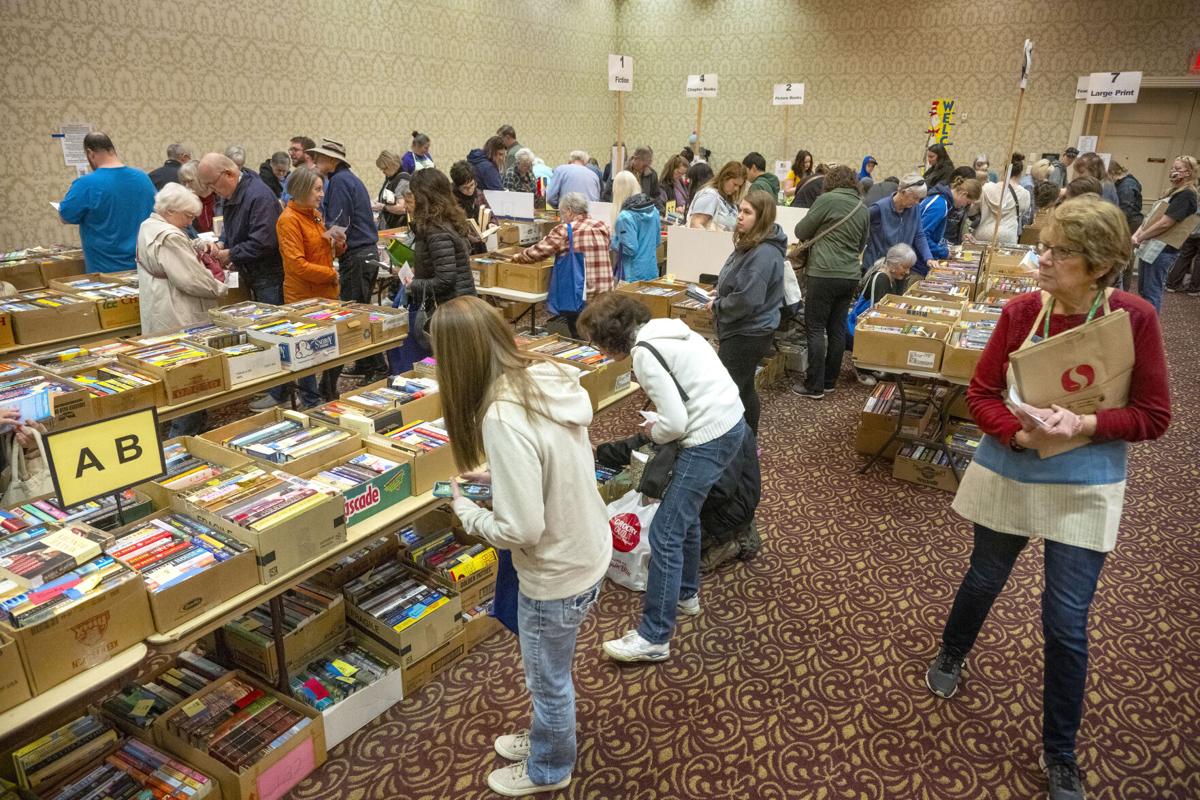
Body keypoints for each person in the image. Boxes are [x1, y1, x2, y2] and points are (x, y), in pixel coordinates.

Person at [927, 195, 1170, 800]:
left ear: (1096, 264)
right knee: (983, 578)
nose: (1042, 258)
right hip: (1011, 470)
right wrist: (1016, 432)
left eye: (1058, 252)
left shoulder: (1135, 317)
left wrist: (1084, 426)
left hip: (1087, 483)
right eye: (1046, 246)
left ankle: (1059, 749)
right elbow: (981, 393)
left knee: (1066, 622)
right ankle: (953, 651)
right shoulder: (1019, 313)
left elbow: (1154, 416)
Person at [433, 296, 607, 798]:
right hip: (585, 547)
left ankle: (550, 767)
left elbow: (522, 530)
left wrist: (467, 512)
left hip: (554, 572)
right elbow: (556, 464)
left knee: (547, 680)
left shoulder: (501, 416)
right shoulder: (541, 380)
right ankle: (544, 737)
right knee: (553, 670)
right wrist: (502, 478)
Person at [580, 293, 748, 664]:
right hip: (731, 421)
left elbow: (675, 423)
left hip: (707, 436)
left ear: (610, 339)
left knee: (664, 533)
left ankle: (654, 636)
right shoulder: (668, 329)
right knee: (683, 517)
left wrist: (655, 431)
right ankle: (687, 593)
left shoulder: (643, 354)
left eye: (597, 342)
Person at [136, 183, 228, 436]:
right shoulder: (171, 236)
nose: (191, 221)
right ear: (170, 211)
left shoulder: (149, 225)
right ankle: (183, 437)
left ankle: (190, 428)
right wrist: (220, 285)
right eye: (187, 216)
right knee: (188, 375)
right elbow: (192, 279)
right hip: (178, 309)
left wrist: (196, 246)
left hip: (159, 304)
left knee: (173, 371)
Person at [791, 165, 871, 399]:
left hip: (823, 272)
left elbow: (800, 230)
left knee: (815, 327)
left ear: (830, 181)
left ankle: (813, 385)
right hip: (849, 275)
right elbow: (861, 245)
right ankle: (829, 381)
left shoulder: (827, 199)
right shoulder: (862, 207)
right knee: (836, 329)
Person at [308, 137, 384, 378]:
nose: (317, 161)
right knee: (360, 310)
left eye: (320, 157)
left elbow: (339, 224)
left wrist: (324, 240)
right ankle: (366, 364)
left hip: (358, 254)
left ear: (332, 160)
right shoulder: (348, 178)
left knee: (355, 314)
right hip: (366, 252)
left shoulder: (339, 182)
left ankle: (375, 366)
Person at [711, 191, 786, 431]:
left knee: (726, 392)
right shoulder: (752, 242)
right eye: (739, 210)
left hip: (748, 333)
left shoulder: (763, 252)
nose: (739, 217)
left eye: (747, 212)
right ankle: (747, 442)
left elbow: (747, 299)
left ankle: (738, 444)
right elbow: (740, 282)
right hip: (746, 329)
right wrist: (720, 293)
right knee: (742, 389)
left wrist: (718, 305)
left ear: (762, 217)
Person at [392, 168, 478, 373]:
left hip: (450, 310)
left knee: (453, 367)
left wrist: (412, 284)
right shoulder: (444, 222)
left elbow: (445, 280)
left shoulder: (436, 230)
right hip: (458, 306)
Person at [273, 165, 343, 408]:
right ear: (301, 190)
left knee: (332, 348)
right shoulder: (288, 220)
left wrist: (337, 244)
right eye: (317, 189)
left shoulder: (315, 214)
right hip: (303, 297)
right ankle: (311, 401)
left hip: (326, 294)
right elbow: (297, 266)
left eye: (321, 189)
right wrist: (331, 273)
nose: (322, 194)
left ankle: (327, 391)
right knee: (307, 353)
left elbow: (321, 250)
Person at [512, 193, 611, 336]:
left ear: (569, 211)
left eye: (562, 213)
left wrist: (516, 257)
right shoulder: (602, 226)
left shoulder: (565, 230)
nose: (562, 217)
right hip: (605, 293)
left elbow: (538, 252)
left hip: (580, 298)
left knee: (580, 334)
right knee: (600, 334)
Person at [58, 132, 156, 274]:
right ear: (112, 150)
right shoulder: (142, 177)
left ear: (90, 153)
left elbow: (65, 217)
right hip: (144, 267)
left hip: (106, 270)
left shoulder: (85, 184)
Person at [197, 153, 283, 302]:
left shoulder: (259, 196)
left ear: (229, 174)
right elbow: (231, 227)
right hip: (251, 273)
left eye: (212, 184)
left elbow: (264, 242)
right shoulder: (232, 192)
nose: (211, 190)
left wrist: (230, 254)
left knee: (271, 323)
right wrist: (221, 243)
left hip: (268, 277)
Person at [1132, 155, 1199, 312]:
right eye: (1172, 168)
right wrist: (1138, 234)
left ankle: (1150, 331)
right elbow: (1151, 218)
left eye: (1178, 169)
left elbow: (1166, 223)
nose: (1173, 172)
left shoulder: (1187, 194)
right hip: (1151, 244)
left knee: (1151, 292)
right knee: (1144, 290)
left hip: (1162, 249)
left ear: (1188, 172)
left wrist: (1141, 236)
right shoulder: (1174, 191)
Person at [862, 174, 935, 279]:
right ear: (903, 192)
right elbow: (860, 226)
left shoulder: (914, 209)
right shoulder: (879, 208)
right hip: (877, 269)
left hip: (900, 270)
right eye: (915, 198)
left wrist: (928, 258)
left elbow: (919, 235)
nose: (917, 202)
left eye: (920, 199)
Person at [611, 172, 660, 283]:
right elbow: (657, 242)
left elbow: (629, 249)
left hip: (632, 275)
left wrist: (612, 240)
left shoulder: (624, 217)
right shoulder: (654, 211)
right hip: (651, 271)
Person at [920, 175, 982, 259]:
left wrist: (946, 246)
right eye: (967, 202)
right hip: (921, 258)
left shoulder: (943, 202)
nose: (964, 206)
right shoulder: (940, 205)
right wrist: (944, 252)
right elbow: (922, 236)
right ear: (963, 194)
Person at [977, 155, 1031, 245]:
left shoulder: (986, 188)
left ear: (1005, 171)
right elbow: (1023, 213)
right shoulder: (1024, 194)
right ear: (1020, 173)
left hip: (983, 233)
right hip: (1008, 235)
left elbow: (976, 208)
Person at [686, 161, 747, 231]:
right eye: (735, 184)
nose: (736, 189)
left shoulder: (729, 200)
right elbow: (695, 225)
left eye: (739, 186)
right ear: (725, 177)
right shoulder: (710, 195)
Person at [449, 160, 491, 253]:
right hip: (461, 249)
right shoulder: (451, 199)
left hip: (480, 247)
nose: (470, 190)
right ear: (457, 186)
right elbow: (449, 227)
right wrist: (467, 236)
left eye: (472, 185)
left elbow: (490, 214)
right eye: (465, 188)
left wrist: (491, 225)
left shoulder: (479, 193)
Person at [373, 150, 409, 230]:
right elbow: (387, 196)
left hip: (398, 228)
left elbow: (402, 208)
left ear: (393, 164)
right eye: (381, 169)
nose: (383, 172)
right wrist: (375, 201)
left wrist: (383, 207)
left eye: (384, 168)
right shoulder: (390, 178)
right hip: (388, 227)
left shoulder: (403, 180)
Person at [943, 166, 980, 246]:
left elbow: (960, 224)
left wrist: (964, 235)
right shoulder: (943, 200)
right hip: (940, 246)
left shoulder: (966, 200)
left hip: (953, 245)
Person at [178, 161, 216, 234]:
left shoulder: (221, 198)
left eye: (190, 181)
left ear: (201, 179)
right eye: (184, 182)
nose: (187, 186)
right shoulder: (185, 205)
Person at [281, 136, 315, 203]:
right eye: (290, 150)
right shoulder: (291, 176)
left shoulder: (318, 177)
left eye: (295, 150)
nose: (291, 153)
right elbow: (283, 201)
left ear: (308, 153)